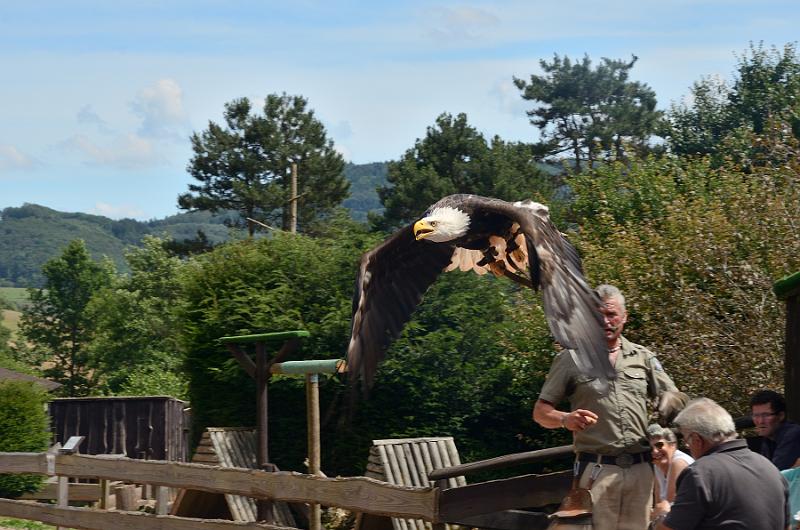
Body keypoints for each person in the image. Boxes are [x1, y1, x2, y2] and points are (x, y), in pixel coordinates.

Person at [533, 284, 683, 530]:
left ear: (624, 317)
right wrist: (565, 419)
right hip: (597, 470)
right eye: (597, 315)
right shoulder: (571, 358)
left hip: (641, 469)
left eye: (611, 314)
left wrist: (670, 403)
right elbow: (540, 412)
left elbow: (675, 399)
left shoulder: (643, 357)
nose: (605, 321)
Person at [657, 397, 790, 530]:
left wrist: (661, 515)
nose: (687, 445)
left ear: (697, 439)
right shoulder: (771, 469)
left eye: (686, 440)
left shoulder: (700, 474)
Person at [647, 424, 694, 526]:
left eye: (659, 445)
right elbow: (659, 504)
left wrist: (655, 514)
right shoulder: (658, 465)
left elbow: (668, 505)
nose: (655, 451)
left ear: (672, 445)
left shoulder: (678, 462)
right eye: (651, 448)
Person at [751, 389, 800, 470]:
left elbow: (774, 473)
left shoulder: (793, 434)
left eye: (766, 415)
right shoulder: (769, 438)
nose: (760, 421)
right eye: (756, 416)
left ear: (781, 416)